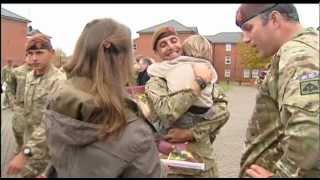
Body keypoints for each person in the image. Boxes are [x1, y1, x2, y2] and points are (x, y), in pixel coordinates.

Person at [19, 18, 161, 178]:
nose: (34, 58)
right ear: (123, 59)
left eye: (38, 52)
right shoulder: (136, 133)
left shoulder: (59, 96)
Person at [235, 4, 319, 178]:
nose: (245, 39)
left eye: (249, 29)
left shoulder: (297, 55)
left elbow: (310, 128)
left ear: (274, 19)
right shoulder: (312, 46)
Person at [145, 26, 230, 177]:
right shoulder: (156, 82)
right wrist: (198, 83)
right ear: (157, 53)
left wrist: (191, 133)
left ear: (182, 45)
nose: (171, 47)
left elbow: (223, 110)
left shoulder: (197, 69)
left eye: (173, 40)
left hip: (204, 163)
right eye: (163, 45)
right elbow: (167, 112)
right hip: (172, 167)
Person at [6, 33, 66, 178]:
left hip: (47, 150)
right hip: (30, 143)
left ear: (51, 54)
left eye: (39, 53)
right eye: (30, 53)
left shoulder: (58, 81)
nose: (34, 58)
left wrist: (25, 153)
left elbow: (51, 123)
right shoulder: (30, 76)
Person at [6, 55, 33, 154]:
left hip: (36, 106)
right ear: (25, 57)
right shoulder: (16, 71)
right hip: (20, 105)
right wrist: (12, 101)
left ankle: (30, 150)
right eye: (29, 55)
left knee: (34, 131)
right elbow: (10, 86)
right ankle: (20, 145)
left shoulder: (40, 71)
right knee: (17, 128)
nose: (32, 58)